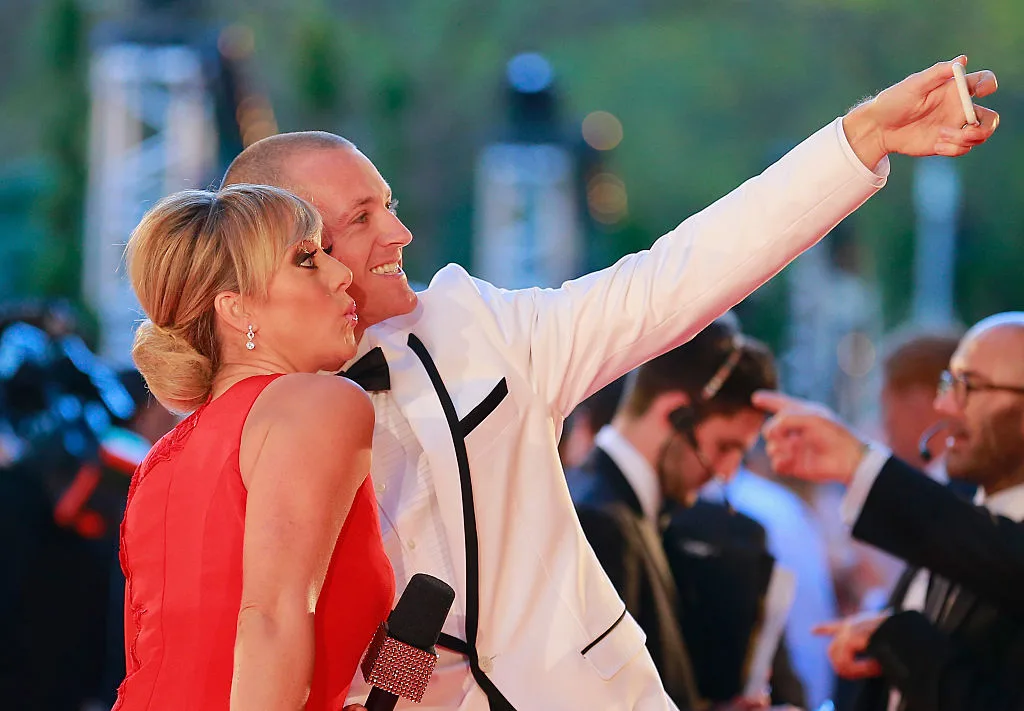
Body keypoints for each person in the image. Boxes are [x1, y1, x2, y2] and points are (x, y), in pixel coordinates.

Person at [222, 57, 998, 711]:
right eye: (363, 218)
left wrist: (858, 140)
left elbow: (674, 279)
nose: (401, 232)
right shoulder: (239, 421)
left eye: (389, 203)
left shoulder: (471, 323)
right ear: (292, 249)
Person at [115, 185, 392, 710]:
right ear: (237, 308)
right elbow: (269, 619)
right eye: (308, 260)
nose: (342, 276)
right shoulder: (316, 403)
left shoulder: (159, 461)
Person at [755, 312, 1024, 711]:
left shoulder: (967, 533)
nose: (944, 405)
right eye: (948, 384)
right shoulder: (957, 520)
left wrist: (857, 462)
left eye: (968, 386)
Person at [567, 318, 804, 710]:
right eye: (725, 447)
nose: (726, 473)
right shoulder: (602, 521)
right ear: (675, 414)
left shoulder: (623, 509)